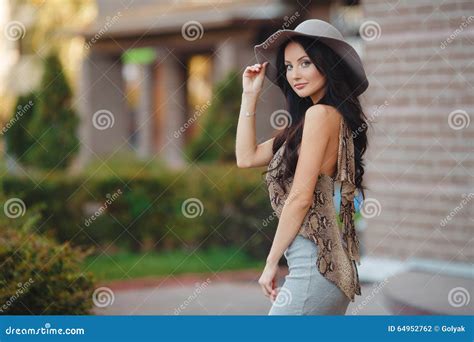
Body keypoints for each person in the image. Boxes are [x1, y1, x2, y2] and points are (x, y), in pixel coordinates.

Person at [235, 19, 370, 315]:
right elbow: (245, 157)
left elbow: (300, 197)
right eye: (288, 66)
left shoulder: (321, 116)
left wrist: (271, 263)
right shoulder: (310, 123)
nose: (295, 74)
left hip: (314, 268)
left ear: (327, 64)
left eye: (305, 62)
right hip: (326, 269)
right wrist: (249, 95)